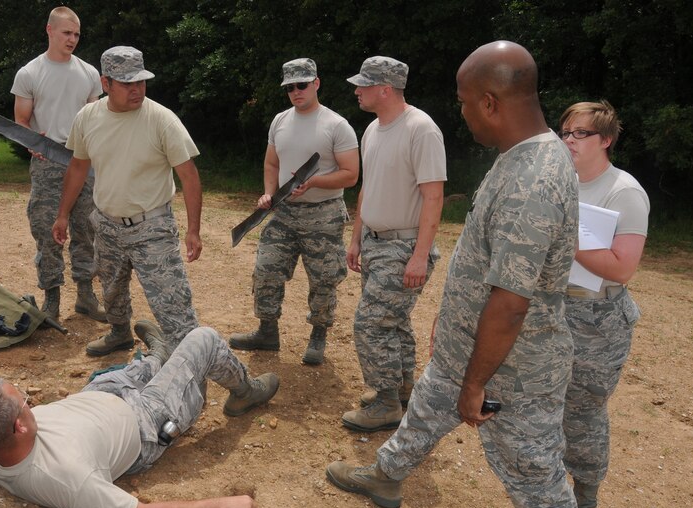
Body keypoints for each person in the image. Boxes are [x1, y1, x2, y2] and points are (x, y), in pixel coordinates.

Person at [326, 41, 588, 508]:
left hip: (509, 371)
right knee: (424, 410)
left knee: (530, 467)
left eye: (466, 102)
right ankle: (386, 475)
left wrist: (475, 383)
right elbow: (487, 266)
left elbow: (512, 303)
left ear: (490, 102)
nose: (462, 112)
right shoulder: (520, 156)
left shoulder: (532, 180)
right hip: (470, 351)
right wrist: (451, 328)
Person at [0, 321, 279, 508]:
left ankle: (157, 359)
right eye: (25, 402)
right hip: (147, 421)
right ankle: (245, 392)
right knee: (204, 339)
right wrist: (224, 505)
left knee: (112, 376)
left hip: (95, 398)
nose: (30, 402)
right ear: (20, 428)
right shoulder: (70, 477)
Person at [52, 46, 203, 357]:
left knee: (172, 303)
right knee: (111, 289)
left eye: (141, 82)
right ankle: (119, 333)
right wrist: (62, 214)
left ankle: (189, 357)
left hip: (152, 226)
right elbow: (78, 166)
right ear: (105, 83)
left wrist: (193, 230)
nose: (137, 90)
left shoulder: (162, 119)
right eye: (127, 83)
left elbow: (189, 176)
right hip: (106, 223)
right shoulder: (88, 117)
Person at [229, 58, 359, 365]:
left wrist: (314, 182)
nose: (296, 92)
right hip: (285, 212)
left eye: (302, 85)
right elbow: (271, 163)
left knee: (324, 278)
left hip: (324, 213)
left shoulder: (337, 125)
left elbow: (351, 174)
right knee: (266, 269)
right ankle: (267, 331)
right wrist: (268, 193)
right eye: (290, 87)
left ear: (316, 83)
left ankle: (318, 336)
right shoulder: (280, 121)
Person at [340, 56, 446, 431]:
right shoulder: (372, 130)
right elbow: (368, 189)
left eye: (363, 85)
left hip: (403, 247)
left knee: (370, 324)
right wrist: (355, 239)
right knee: (392, 322)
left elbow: (434, 197)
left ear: (384, 89)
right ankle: (401, 391)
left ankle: (385, 403)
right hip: (374, 243)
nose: (356, 91)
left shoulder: (421, 129)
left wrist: (419, 256)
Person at [558, 101, 649, 508]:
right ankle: (553, 484)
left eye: (581, 134)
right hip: (556, 307)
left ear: (606, 140)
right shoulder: (562, 181)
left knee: (583, 412)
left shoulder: (624, 191)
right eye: (566, 132)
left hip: (598, 321)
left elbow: (622, 267)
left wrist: (566, 237)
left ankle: (586, 494)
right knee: (549, 402)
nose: (569, 140)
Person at [11, 6, 106, 323]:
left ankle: (85, 298)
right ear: (49, 30)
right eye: (67, 32)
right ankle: (51, 300)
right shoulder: (29, 73)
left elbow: (97, 118)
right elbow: (21, 120)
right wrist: (30, 140)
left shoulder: (90, 74)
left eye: (77, 34)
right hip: (48, 159)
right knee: (47, 231)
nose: (73, 39)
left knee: (86, 230)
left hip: (83, 160)